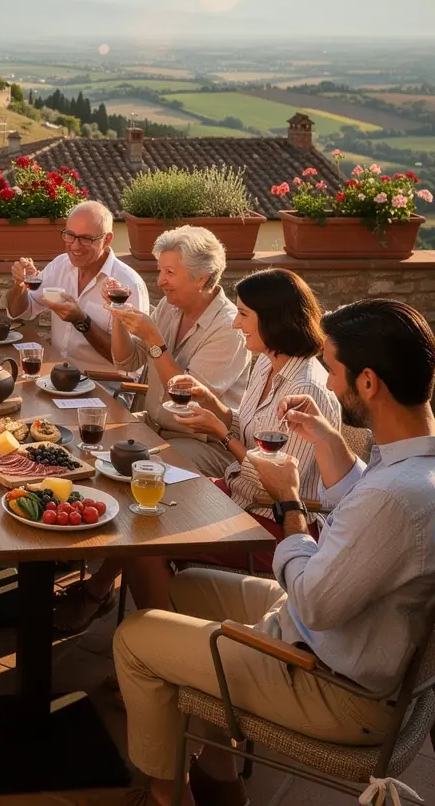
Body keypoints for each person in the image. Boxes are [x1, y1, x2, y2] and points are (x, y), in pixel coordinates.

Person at [113, 298, 435, 806]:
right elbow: (363, 499)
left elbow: (314, 602)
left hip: (336, 687)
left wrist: (289, 503)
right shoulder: (414, 466)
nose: (330, 385)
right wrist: (326, 439)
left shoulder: (393, 498)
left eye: (334, 372)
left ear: (369, 383)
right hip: (337, 640)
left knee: (135, 638)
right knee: (184, 587)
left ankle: (166, 794)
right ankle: (220, 777)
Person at [58, 269, 340, 631]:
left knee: (146, 539)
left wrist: (220, 434)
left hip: (274, 524)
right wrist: (213, 404)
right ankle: (107, 599)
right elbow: (250, 429)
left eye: (244, 315)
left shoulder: (306, 388)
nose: (236, 324)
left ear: (274, 320)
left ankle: (162, 643)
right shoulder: (267, 364)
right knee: (140, 501)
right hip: (237, 493)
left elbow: (279, 488)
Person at [110, 225, 251, 478]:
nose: (160, 281)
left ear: (201, 278)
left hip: (201, 443)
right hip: (152, 425)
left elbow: (184, 398)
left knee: (141, 471)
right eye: (160, 270)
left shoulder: (229, 328)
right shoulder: (170, 305)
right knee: (98, 439)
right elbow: (127, 361)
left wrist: (153, 337)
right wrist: (117, 314)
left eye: (170, 272)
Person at [6, 200, 148, 370]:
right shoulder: (60, 265)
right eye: (70, 235)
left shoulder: (128, 284)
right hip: (57, 375)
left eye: (86, 239)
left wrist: (82, 321)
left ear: (107, 239)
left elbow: (130, 364)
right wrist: (19, 284)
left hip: (105, 382)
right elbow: (20, 312)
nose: (75, 246)